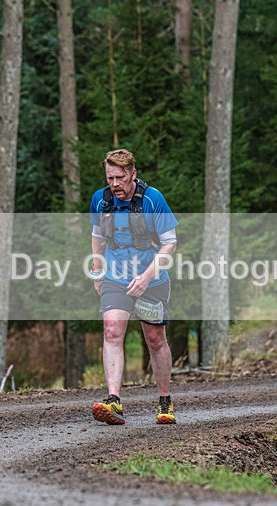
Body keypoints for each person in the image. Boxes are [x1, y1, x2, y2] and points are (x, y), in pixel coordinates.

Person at [88, 148, 178, 425]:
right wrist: (97, 271)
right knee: (112, 330)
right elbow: (97, 237)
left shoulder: (153, 199)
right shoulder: (101, 200)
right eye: (110, 178)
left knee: (155, 339)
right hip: (116, 277)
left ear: (132, 174)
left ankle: (165, 401)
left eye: (119, 177)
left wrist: (148, 276)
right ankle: (113, 400)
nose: (114, 184)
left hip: (152, 280)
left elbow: (170, 243)